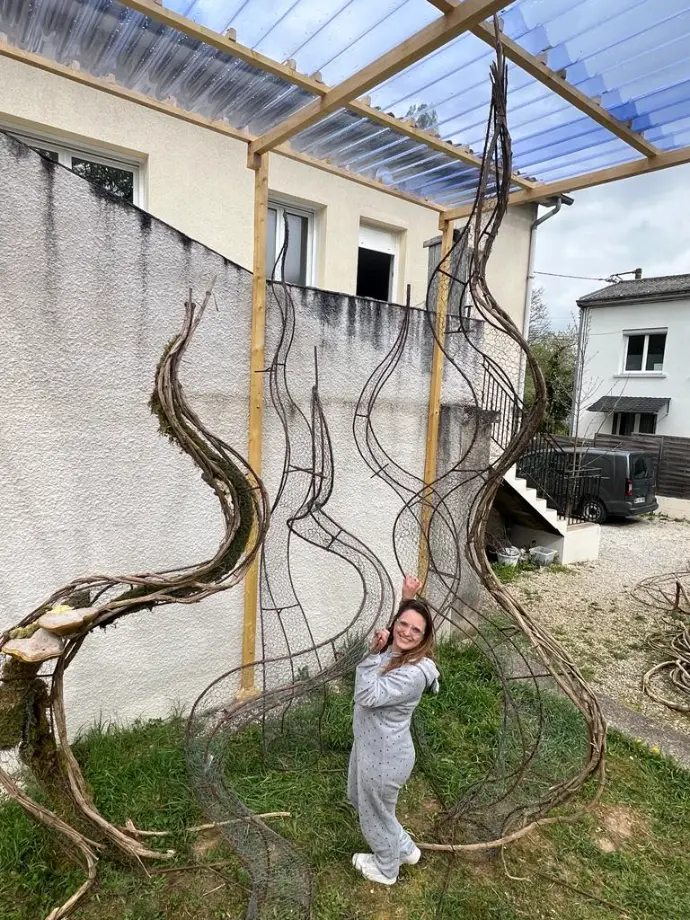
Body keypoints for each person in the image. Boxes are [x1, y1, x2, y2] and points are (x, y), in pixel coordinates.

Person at [347, 575, 440, 885]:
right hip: (370, 747)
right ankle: (406, 849)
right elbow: (398, 633)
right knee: (363, 801)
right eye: (403, 623)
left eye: (416, 630)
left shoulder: (412, 674)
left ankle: (387, 868)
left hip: (384, 759)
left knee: (374, 815)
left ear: (425, 638)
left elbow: (367, 695)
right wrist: (407, 597)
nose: (406, 632)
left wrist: (372, 656)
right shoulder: (400, 652)